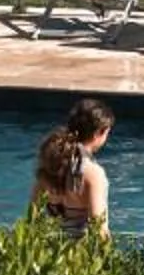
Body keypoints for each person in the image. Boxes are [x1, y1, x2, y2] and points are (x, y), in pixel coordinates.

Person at [30, 99, 113, 240]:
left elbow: (31, 219)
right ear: (98, 133)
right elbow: (99, 230)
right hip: (80, 255)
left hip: (50, 251)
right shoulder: (93, 174)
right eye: (106, 133)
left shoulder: (51, 163)